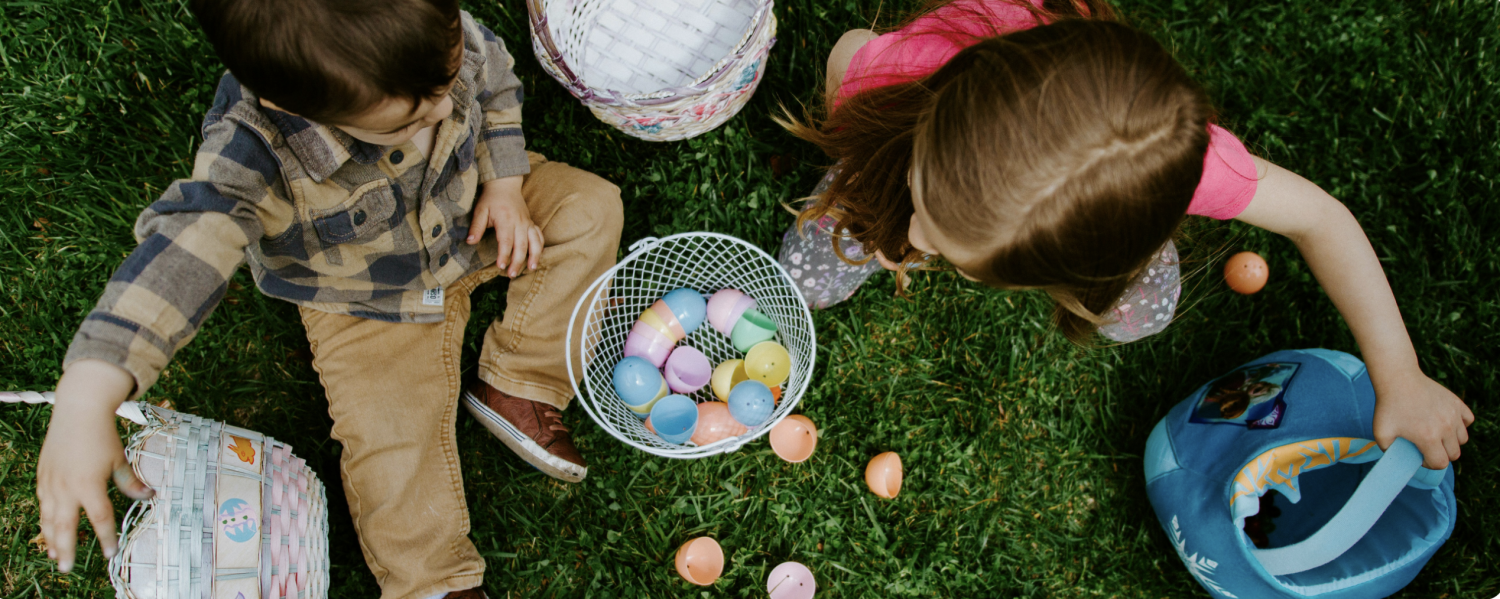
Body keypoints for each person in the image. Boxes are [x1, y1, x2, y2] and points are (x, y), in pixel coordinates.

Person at [34, 0, 623, 596]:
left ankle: (519, 379)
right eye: (404, 121)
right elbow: (186, 249)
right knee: (391, 442)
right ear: (288, 104)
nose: (446, 109)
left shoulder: (430, 32)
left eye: (447, 86)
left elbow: (492, 79)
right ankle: (432, 581)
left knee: (590, 209)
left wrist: (504, 182)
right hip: (364, 300)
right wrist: (89, 391)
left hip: (476, 213)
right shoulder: (254, 153)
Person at [778, 0, 1471, 468]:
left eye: (946, 245)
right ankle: (889, 186)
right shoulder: (901, 78)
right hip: (908, 124)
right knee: (820, 261)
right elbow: (850, 51)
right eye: (927, 199)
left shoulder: (1188, 166)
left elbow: (1322, 217)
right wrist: (888, 176)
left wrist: (1400, 375)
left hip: (1104, 227)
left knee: (1136, 315)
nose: (919, 238)